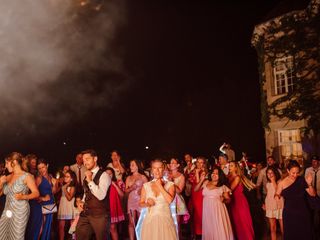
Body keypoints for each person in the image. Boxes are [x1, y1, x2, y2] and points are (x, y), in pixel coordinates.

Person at [0, 152, 40, 240]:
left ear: (14, 162)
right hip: (7, 210)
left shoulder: (27, 176)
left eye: (7, 163)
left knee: (17, 237)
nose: (6, 166)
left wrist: (24, 197)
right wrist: (0, 183)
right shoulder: (7, 177)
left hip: (20, 211)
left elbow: (36, 193)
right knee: (2, 235)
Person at [276, 160, 318, 240]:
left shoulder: (301, 180)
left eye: (297, 172)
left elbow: (313, 194)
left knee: (305, 235)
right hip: (290, 215)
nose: (295, 175)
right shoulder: (282, 183)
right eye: (293, 173)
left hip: (303, 213)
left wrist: (309, 184)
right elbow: (277, 194)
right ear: (288, 171)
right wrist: (277, 197)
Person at [76, 149, 111, 240]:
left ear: (95, 159)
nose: (85, 162)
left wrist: (90, 181)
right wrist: (82, 202)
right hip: (86, 214)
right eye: (83, 160)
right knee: (80, 236)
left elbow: (101, 195)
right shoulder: (87, 175)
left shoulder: (104, 175)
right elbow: (86, 192)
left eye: (87, 159)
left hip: (100, 216)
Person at [139, 159, 177, 240]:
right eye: (154, 168)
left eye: (159, 168)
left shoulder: (170, 185)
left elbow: (169, 200)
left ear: (163, 169)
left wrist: (159, 186)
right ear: (152, 170)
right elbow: (141, 203)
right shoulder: (146, 185)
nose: (157, 170)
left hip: (165, 220)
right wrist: (147, 204)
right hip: (150, 221)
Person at [194, 166, 234, 240]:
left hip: (218, 210)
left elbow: (229, 199)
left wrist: (224, 200)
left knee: (218, 227)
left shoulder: (222, 186)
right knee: (209, 227)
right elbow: (196, 189)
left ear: (220, 176)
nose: (214, 175)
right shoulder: (206, 182)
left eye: (216, 174)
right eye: (213, 173)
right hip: (207, 210)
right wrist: (201, 180)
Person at [228, 161, 255, 240]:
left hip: (240, 202)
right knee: (236, 222)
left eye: (232, 166)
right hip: (233, 202)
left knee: (243, 222)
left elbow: (230, 189)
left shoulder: (237, 177)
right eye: (229, 165)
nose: (229, 167)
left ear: (236, 168)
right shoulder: (229, 176)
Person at [125, 159, 148, 240]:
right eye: (130, 165)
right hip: (131, 201)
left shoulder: (143, 177)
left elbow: (148, 189)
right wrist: (132, 188)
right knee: (131, 223)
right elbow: (126, 191)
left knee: (141, 221)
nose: (130, 167)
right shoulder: (128, 177)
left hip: (140, 200)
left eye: (132, 165)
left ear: (137, 166)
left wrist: (141, 189)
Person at [168, 157, 189, 237]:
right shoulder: (166, 174)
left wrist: (171, 182)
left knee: (176, 224)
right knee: (168, 223)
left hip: (177, 201)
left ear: (178, 165)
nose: (171, 164)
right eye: (170, 162)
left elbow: (180, 190)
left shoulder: (181, 176)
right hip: (168, 199)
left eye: (173, 162)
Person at [189, 157, 207, 239]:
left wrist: (197, 173)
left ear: (204, 164)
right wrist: (195, 172)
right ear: (196, 163)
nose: (199, 164)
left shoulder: (205, 172)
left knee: (201, 213)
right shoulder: (192, 172)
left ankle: (203, 233)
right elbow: (194, 184)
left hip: (201, 194)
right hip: (194, 193)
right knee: (195, 214)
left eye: (201, 162)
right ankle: (196, 234)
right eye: (198, 162)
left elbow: (198, 185)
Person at [264, 166, 283, 240]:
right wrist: (266, 204)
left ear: (275, 173)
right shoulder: (267, 184)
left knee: (283, 228)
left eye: (271, 172)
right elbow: (268, 195)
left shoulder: (280, 182)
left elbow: (278, 192)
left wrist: (273, 181)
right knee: (272, 228)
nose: (270, 174)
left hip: (279, 206)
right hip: (270, 206)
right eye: (268, 173)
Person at [106, 167, 125, 240]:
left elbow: (122, 195)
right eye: (106, 174)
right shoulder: (102, 184)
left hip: (113, 208)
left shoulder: (118, 182)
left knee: (113, 228)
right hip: (104, 209)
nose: (108, 175)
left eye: (110, 174)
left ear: (113, 175)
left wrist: (114, 185)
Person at [58, 170, 77, 240]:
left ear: (71, 178)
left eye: (67, 177)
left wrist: (64, 189)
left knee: (72, 225)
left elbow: (69, 198)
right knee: (61, 226)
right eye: (65, 176)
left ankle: (73, 239)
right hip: (63, 206)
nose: (65, 178)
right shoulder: (63, 185)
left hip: (70, 206)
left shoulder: (73, 187)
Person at [305, 155, 320, 239]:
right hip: (311, 195)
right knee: (311, 213)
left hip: (319, 195)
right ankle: (312, 232)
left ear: (318, 162)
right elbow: (305, 182)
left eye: (315, 161)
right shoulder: (308, 170)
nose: (313, 163)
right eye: (312, 161)